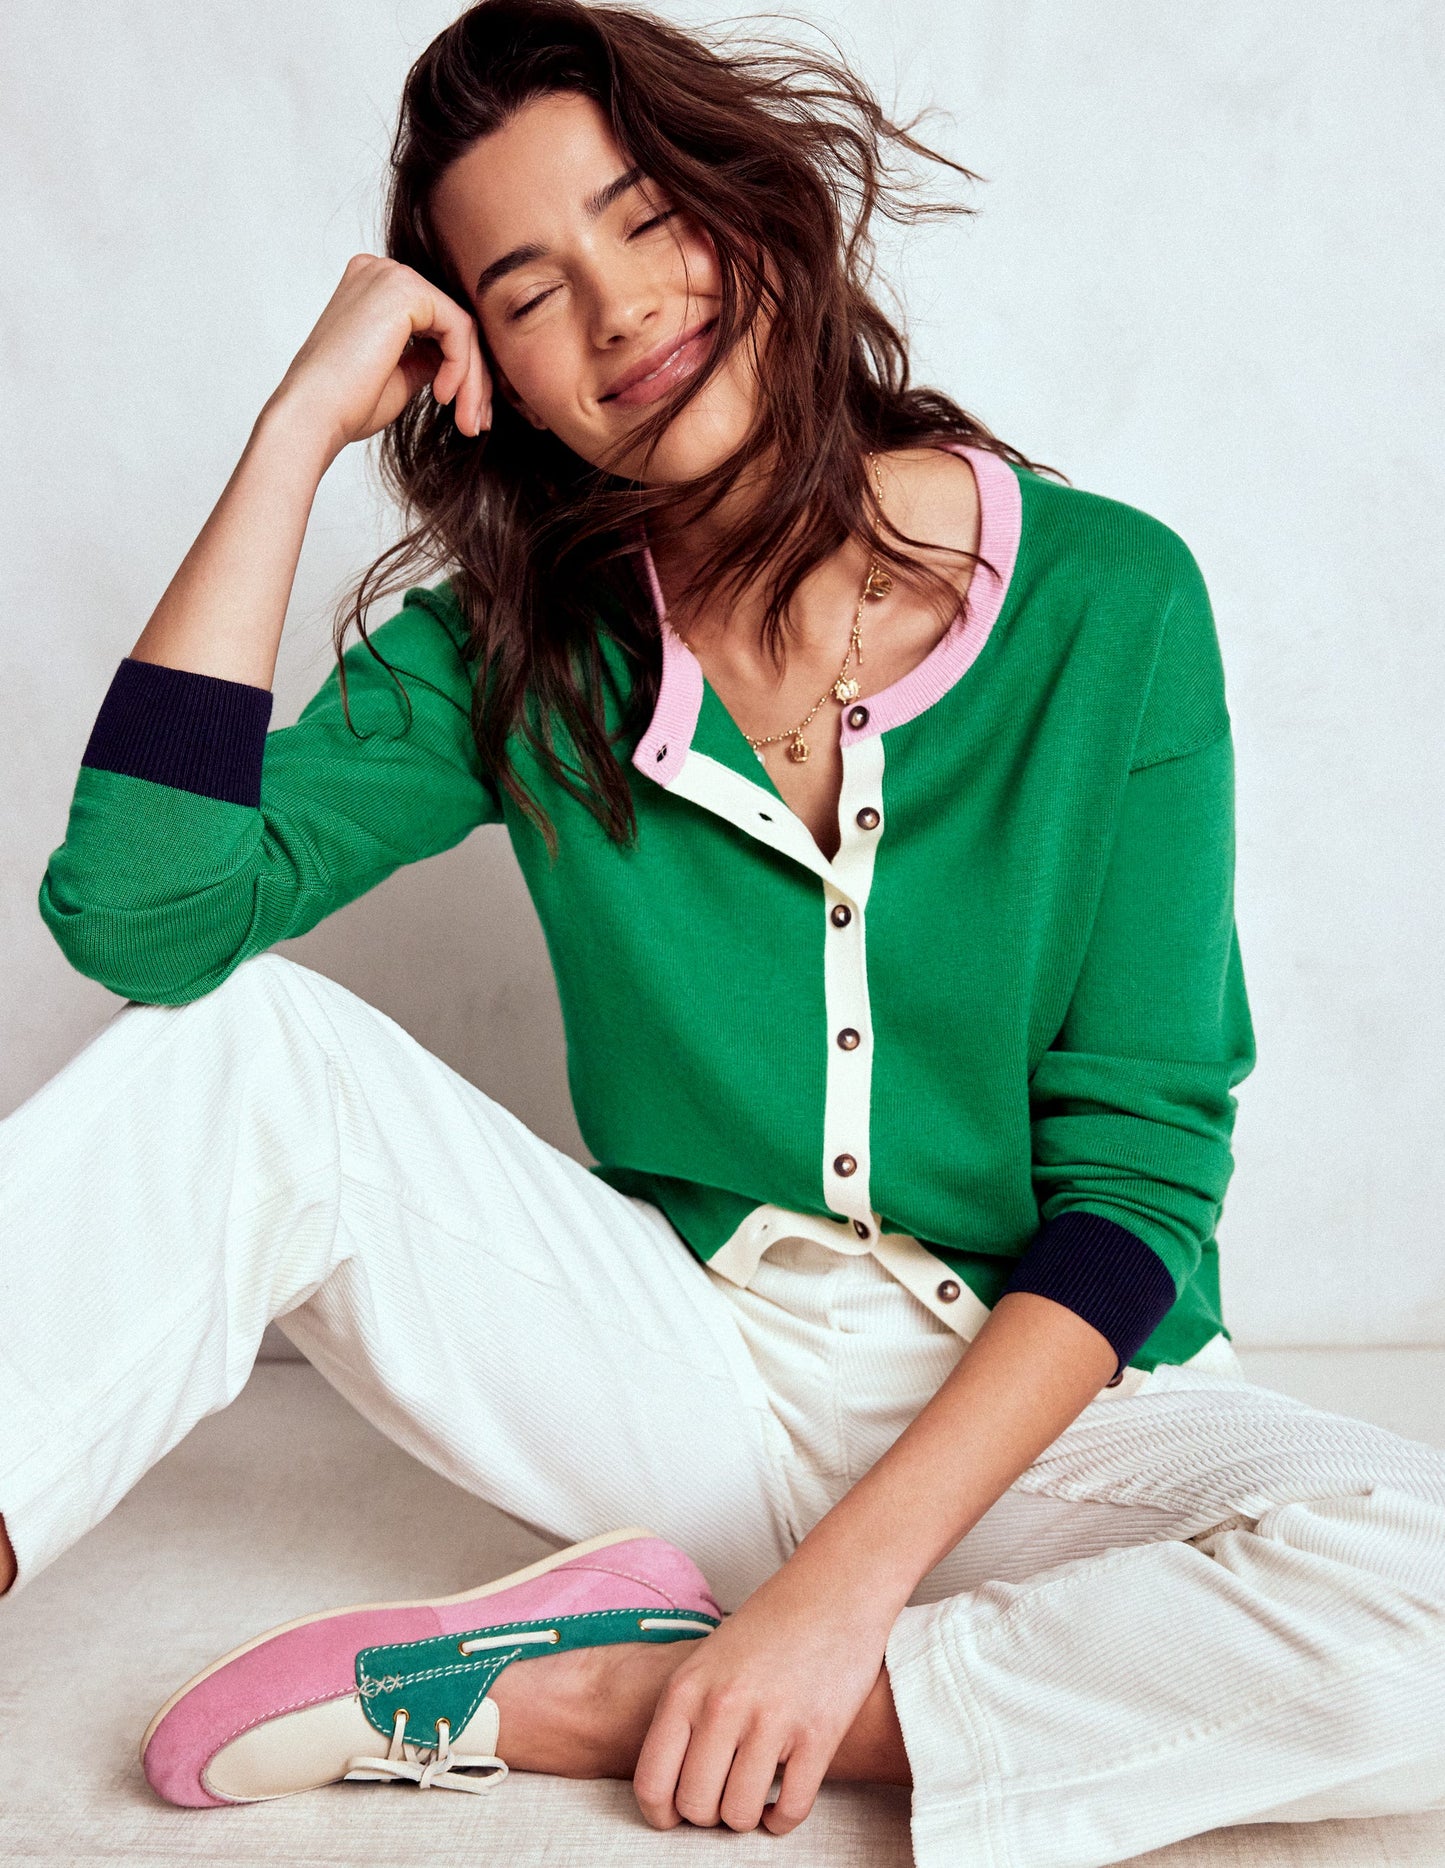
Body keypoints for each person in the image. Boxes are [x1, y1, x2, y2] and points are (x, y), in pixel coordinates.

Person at [4, 1, 1444, 1862]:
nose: (617, 310)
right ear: (492, 378)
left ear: (753, 207)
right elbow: (146, 918)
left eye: (643, 215)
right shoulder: (515, 648)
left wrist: (834, 1602)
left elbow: (1140, 1180)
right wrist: (290, 435)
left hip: (1049, 1412)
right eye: (528, 292)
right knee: (238, 1050)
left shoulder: (1111, 602)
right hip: (684, 1364)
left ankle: (618, 1691)